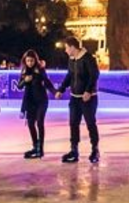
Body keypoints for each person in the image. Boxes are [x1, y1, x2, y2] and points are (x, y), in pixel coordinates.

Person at [56, 35, 101, 164]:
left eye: (66, 48)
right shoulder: (72, 59)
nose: (65, 51)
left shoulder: (88, 58)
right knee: (73, 124)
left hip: (88, 99)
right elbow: (70, 75)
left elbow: (94, 75)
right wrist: (61, 89)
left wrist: (88, 91)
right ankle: (74, 150)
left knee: (90, 123)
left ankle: (95, 149)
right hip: (74, 98)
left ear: (72, 47)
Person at [17, 50, 52, 159]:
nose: (30, 63)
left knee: (40, 122)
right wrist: (25, 80)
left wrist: (55, 91)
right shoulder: (24, 71)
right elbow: (19, 86)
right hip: (30, 102)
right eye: (28, 61)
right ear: (25, 61)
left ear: (35, 60)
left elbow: (47, 82)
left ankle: (40, 149)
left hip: (42, 101)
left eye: (32, 60)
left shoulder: (40, 70)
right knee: (31, 124)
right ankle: (35, 146)